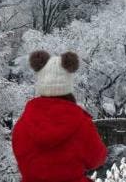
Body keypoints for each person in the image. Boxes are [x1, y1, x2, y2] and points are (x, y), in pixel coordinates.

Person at [12, 51, 107, 182]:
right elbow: (97, 158)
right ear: (68, 87)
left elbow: (20, 156)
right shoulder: (82, 124)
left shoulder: (22, 125)